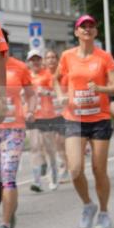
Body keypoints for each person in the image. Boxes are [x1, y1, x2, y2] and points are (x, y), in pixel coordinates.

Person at [56, 14, 114, 228]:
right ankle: (87, 205)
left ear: (96, 32)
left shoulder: (104, 57)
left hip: (99, 118)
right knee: (74, 169)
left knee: (99, 169)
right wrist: (60, 94)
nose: (87, 29)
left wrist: (100, 89)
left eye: (91, 26)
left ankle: (103, 211)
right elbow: (56, 79)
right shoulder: (66, 56)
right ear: (76, 32)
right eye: (83, 26)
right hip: (74, 118)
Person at [0, 32, 36, 228]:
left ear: (7, 45)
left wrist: (30, 110)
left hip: (13, 130)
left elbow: (30, 94)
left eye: (2, 44)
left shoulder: (19, 67)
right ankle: (10, 212)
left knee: (8, 177)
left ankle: (5, 225)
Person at [26, 50, 59, 190]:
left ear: (41, 61)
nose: (35, 62)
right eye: (32, 60)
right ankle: (37, 181)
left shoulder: (48, 75)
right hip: (31, 116)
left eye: (38, 59)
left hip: (47, 116)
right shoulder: (25, 76)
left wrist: (46, 92)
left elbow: (57, 92)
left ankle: (53, 177)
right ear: (28, 62)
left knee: (49, 149)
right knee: (35, 148)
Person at [43, 48, 68, 182]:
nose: (51, 60)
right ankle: (55, 168)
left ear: (57, 60)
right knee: (49, 144)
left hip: (62, 113)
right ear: (45, 61)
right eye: (48, 58)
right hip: (47, 114)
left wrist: (49, 93)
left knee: (60, 142)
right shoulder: (43, 75)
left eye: (53, 57)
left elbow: (65, 93)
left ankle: (65, 168)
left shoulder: (62, 75)